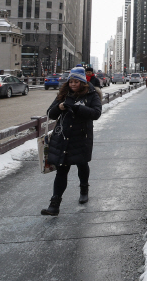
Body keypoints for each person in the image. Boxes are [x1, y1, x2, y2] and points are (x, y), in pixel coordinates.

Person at [41, 66, 102, 216]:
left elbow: (96, 113)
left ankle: (84, 189)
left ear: (82, 82)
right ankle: (54, 205)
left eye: (76, 82)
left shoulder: (91, 94)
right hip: (63, 137)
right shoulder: (64, 94)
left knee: (82, 165)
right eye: (71, 82)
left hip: (81, 137)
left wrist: (77, 108)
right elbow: (50, 113)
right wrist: (60, 107)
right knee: (61, 171)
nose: (73, 84)